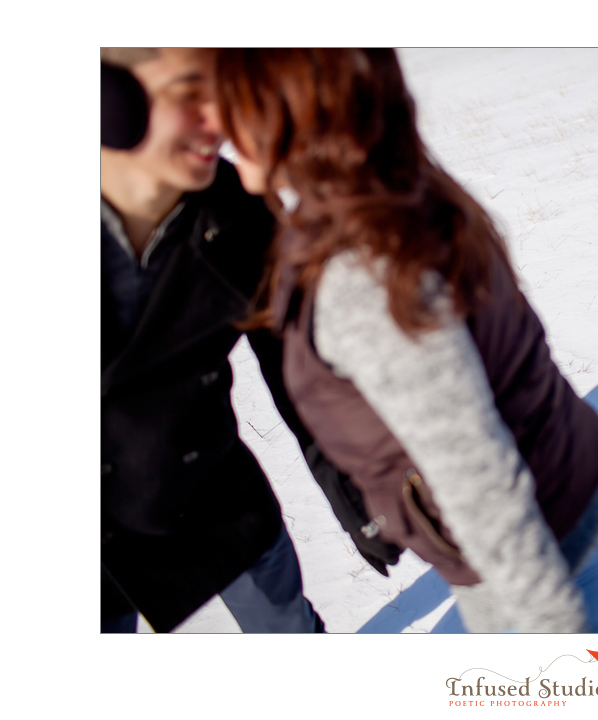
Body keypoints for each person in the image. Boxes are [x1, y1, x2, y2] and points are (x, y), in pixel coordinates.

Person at [214, 48, 598, 632]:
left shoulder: (361, 276)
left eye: (233, 105)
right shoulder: (386, 184)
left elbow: (484, 488)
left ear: (287, 115)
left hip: (549, 560)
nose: (216, 123)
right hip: (575, 500)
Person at [100, 48, 400, 633]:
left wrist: (354, 487)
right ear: (113, 100)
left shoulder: (237, 213)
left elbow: (297, 365)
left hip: (212, 494)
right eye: (190, 94)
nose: (220, 121)